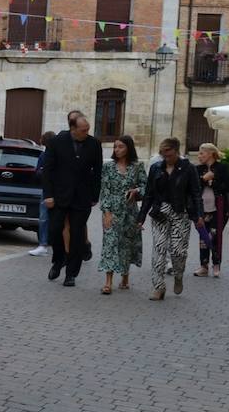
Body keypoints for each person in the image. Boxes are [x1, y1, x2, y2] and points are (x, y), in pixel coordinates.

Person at [40, 113, 102, 287]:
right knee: (55, 230)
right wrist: (48, 195)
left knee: (77, 235)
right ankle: (59, 260)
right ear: (73, 128)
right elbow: (48, 171)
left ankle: (71, 273)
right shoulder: (57, 142)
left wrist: (94, 196)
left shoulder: (94, 144)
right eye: (84, 130)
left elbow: (97, 172)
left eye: (88, 129)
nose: (87, 132)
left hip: (82, 198)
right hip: (59, 196)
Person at [138, 136, 204, 301]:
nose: (165, 156)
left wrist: (199, 215)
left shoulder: (188, 168)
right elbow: (149, 194)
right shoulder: (156, 168)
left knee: (178, 252)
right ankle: (158, 287)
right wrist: (141, 217)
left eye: (168, 153)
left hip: (180, 212)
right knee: (159, 250)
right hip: (160, 212)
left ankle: (178, 274)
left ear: (177, 151)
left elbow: (196, 193)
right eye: (163, 153)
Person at [99, 135, 145, 295]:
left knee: (127, 245)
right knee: (110, 244)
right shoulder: (108, 167)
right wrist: (106, 212)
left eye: (120, 147)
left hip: (130, 211)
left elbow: (145, 187)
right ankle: (108, 282)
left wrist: (136, 190)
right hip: (112, 210)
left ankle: (125, 276)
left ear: (128, 148)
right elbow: (104, 191)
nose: (117, 150)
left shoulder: (138, 167)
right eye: (115, 147)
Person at [193, 142, 229, 279]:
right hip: (202, 209)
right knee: (203, 237)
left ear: (210, 153)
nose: (199, 156)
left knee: (214, 236)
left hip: (219, 209)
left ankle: (216, 264)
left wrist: (212, 181)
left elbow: (228, 187)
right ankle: (203, 266)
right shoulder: (198, 169)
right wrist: (204, 179)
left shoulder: (222, 168)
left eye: (201, 153)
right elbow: (194, 186)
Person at [28, 130, 56, 257]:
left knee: (55, 219)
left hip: (58, 191)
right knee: (44, 218)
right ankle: (43, 244)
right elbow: (37, 173)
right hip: (46, 191)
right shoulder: (43, 156)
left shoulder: (58, 156)